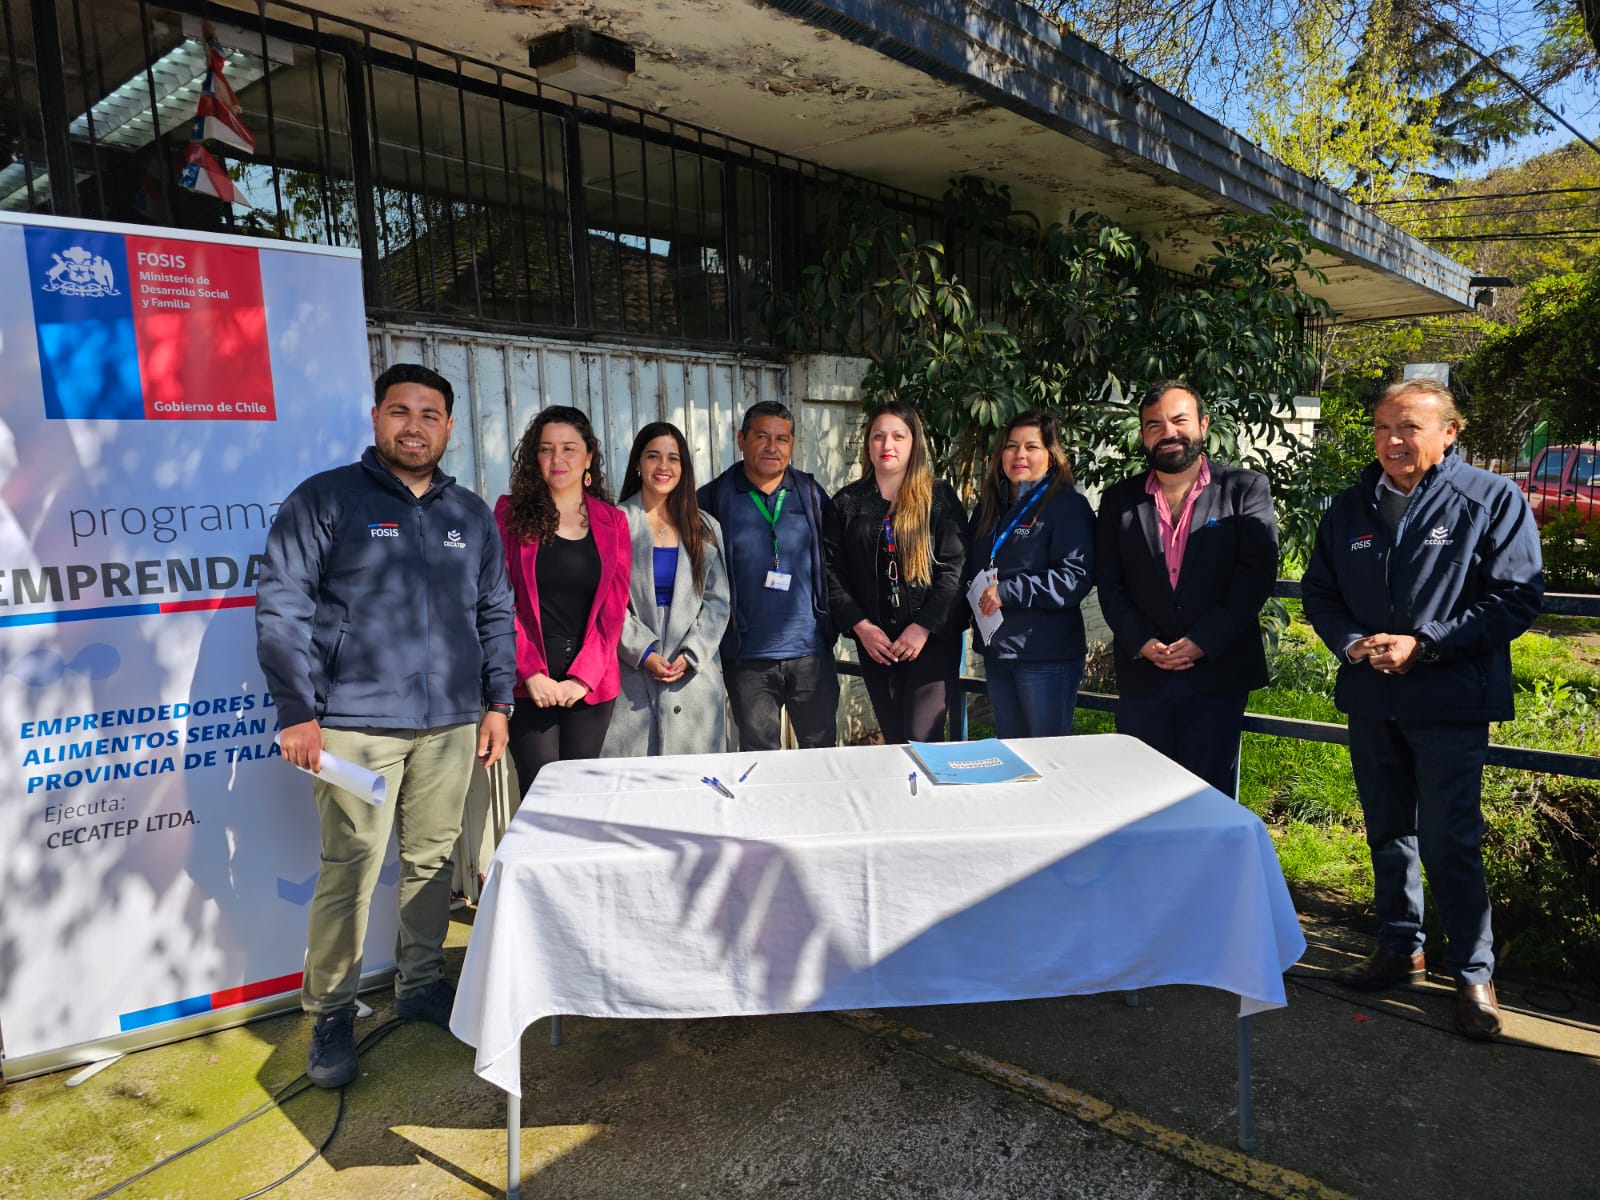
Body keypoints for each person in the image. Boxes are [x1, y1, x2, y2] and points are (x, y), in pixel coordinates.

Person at [256, 362, 516, 1090]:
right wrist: (297, 712)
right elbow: (283, 608)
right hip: (354, 725)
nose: (414, 425)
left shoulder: (470, 515)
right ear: (376, 419)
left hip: (450, 724)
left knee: (433, 858)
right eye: (399, 411)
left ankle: (421, 981)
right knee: (353, 865)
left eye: (429, 414)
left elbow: (495, 612)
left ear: (449, 427)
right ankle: (332, 1011)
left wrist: (498, 703)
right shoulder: (326, 499)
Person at [1302, 377, 1542, 1041]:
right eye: (1382, 427)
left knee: (1450, 840)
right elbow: (1320, 593)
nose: (1393, 441)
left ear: (1449, 433)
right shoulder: (1351, 507)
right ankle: (1399, 945)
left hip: (1450, 701)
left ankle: (1472, 972)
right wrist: (1351, 642)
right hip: (1371, 697)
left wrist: (1425, 645)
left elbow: (1517, 597)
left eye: (1409, 427)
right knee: (1387, 830)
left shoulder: (1490, 499)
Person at [1094, 380, 1279, 798]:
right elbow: (1109, 581)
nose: (1168, 433)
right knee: (1141, 794)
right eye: (1154, 425)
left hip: (1218, 670)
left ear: (1203, 424)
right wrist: (1142, 641)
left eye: (1179, 420)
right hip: (1144, 673)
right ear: (1143, 435)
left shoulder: (1244, 489)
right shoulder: (1119, 499)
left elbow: (1256, 575)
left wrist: (1202, 640)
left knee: (1207, 798)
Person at [495, 405, 631, 795]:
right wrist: (531, 672)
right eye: (546, 448)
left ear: (588, 456)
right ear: (533, 457)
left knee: (580, 800)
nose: (558, 459)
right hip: (530, 683)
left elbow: (613, 606)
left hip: (590, 687)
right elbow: (497, 599)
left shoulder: (613, 521)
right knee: (540, 798)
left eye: (569, 448)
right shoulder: (509, 514)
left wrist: (582, 678)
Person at [823, 401, 968, 743]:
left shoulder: (939, 498)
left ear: (913, 443)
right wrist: (861, 627)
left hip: (930, 642)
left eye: (898, 436)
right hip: (878, 644)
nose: (887, 445)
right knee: (894, 739)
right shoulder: (847, 504)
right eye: (878, 436)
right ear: (867, 445)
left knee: (921, 738)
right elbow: (831, 571)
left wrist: (923, 627)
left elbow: (954, 570)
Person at [698, 400, 839, 751]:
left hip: (810, 653)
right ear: (742, 439)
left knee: (820, 751)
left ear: (792, 444)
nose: (772, 447)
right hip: (747, 657)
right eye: (762, 436)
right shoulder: (713, 498)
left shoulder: (809, 493)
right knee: (760, 757)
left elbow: (837, 562)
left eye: (782, 438)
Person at [602, 421, 732, 757]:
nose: (663, 466)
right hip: (631, 677)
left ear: (683, 467)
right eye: (653, 456)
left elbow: (718, 602)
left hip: (693, 679)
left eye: (673, 458)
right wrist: (642, 652)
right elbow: (605, 600)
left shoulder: (704, 526)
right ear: (637, 464)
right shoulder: (614, 523)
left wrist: (691, 654)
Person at [964, 409, 1096, 738]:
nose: (1019, 454)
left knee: (1045, 757)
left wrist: (1007, 592)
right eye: (1011, 446)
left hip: (1045, 655)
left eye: (1031, 446)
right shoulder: (989, 507)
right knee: (1012, 751)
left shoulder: (1067, 506)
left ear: (1051, 456)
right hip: (999, 650)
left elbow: (1073, 578)